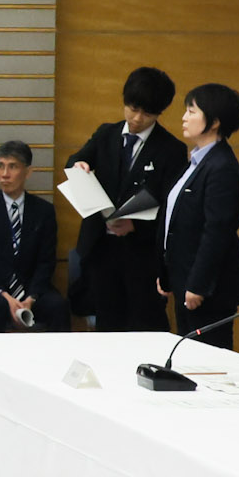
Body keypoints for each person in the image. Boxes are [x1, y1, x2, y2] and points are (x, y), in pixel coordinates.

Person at [63, 66, 184, 331]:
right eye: (132, 108)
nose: (138, 118)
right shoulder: (107, 134)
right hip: (101, 249)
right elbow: (75, 160)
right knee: (108, 325)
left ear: (159, 113)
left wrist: (136, 225)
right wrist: (80, 165)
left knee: (145, 325)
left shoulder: (171, 149)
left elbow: (171, 207)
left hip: (142, 255)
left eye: (147, 113)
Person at [159, 82, 239, 349]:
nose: (184, 117)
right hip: (184, 277)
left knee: (209, 361)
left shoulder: (221, 166)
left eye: (192, 111)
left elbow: (218, 231)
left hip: (207, 288)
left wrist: (198, 284)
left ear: (215, 121)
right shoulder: (197, 161)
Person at [0, 140, 66, 333]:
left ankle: (59, 360)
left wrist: (31, 297)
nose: (5, 174)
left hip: (31, 290)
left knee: (58, 306)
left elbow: (46, 261)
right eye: (1, 166)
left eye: (13, 167)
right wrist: (5, 295)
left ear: (28, 172)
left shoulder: (44, 211)